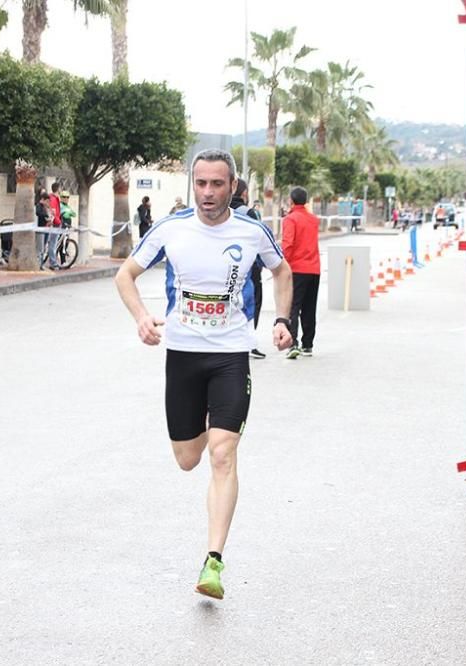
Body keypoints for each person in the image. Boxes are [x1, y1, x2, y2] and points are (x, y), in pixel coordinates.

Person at [114, 149, 293, 601]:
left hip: (231, 354)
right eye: (201, 183)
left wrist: (282, 319)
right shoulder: (171, 229)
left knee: (222, 454)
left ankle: (213, 560)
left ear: (233, 186)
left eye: (217, 184)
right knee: (188, 458)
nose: (208, 193)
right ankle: (207, 434)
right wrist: (142, 317)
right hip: (184, 355)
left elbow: (282, 270)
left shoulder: (251, 231)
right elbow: (125, 275)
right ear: (192, 185)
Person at [281, 186, 322, 359]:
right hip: (314, 269)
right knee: (309, 307)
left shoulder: (290, 219)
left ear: (291, 200)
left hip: (296, 269)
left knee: (293, 306)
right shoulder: (314, 220)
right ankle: (308, 344)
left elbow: (288, 244)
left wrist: (282, 265)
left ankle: (292, 343)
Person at [229, 178, 268, 360]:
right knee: (252, 302)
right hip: (248, 267)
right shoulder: (248, 213)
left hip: (225, 265)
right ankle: (249, 343)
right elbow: (259, 242)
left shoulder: (218, 211)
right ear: (244, 193)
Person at [45, 183, 64, 270]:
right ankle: (53, 263)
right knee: (52, 244)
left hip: (55, 223)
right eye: (60, 188)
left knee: (52, 244)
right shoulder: (53, 199)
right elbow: (53, 213)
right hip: (54, 224)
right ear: (58, 189)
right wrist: (58, 222)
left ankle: (53, 262)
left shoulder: (54, 198)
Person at [35, 190, 54, 269]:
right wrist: (46, 217)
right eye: (47, 201)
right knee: (40, 248)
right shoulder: (39, 206)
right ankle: (39, 264)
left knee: (43, 247)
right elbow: (38, 213)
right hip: (40, 230)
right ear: (43, 199)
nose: (48, 203)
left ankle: (41, 264)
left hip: (45, 228)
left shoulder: (45, 207)